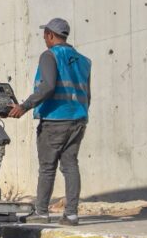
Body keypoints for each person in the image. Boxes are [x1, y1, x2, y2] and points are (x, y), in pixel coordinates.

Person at [8, 18, 92, 226]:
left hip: (55, 120)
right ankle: (71, 214)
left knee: (47, 167)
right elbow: (87, 94)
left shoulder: (49, 55)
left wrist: (24, 106)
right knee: (70, 165)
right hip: (78, 119)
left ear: (50, 35)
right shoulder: (83, 60)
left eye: (44, 34)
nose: (44, 38)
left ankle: (42, 212)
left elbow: (47, 87)